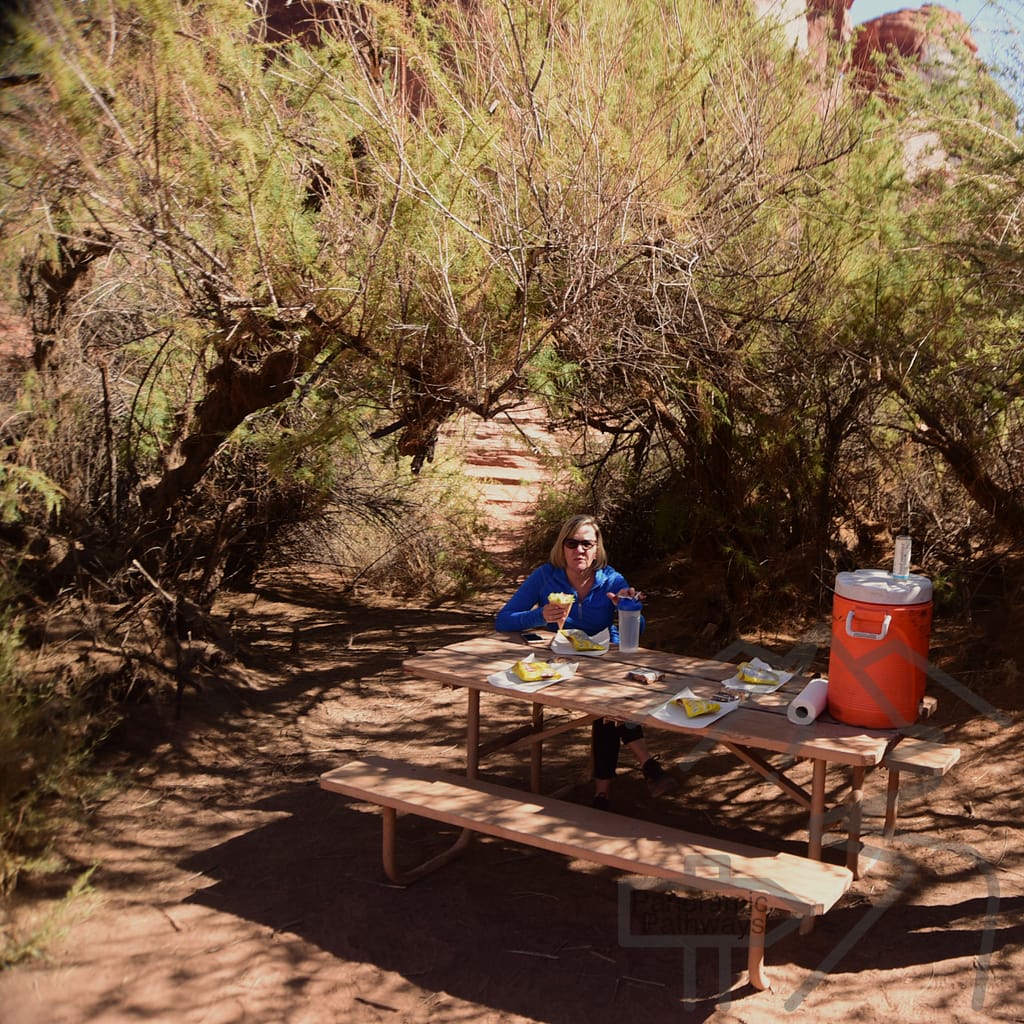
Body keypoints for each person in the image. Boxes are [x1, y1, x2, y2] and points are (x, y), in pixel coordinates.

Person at [495, 513, 677, 809]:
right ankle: (646, 767)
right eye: (572, 543)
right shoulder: (545, 576)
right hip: (559, 665)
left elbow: (637, 631)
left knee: (608, 708)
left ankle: (603, 793)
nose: (579, 550)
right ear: (562, 546)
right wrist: (539, 615)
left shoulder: (611, 579)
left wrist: (629, 608)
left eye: (587, 544)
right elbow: (503, 620)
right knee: (608, 709)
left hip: (601, 663)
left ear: (597, 548)